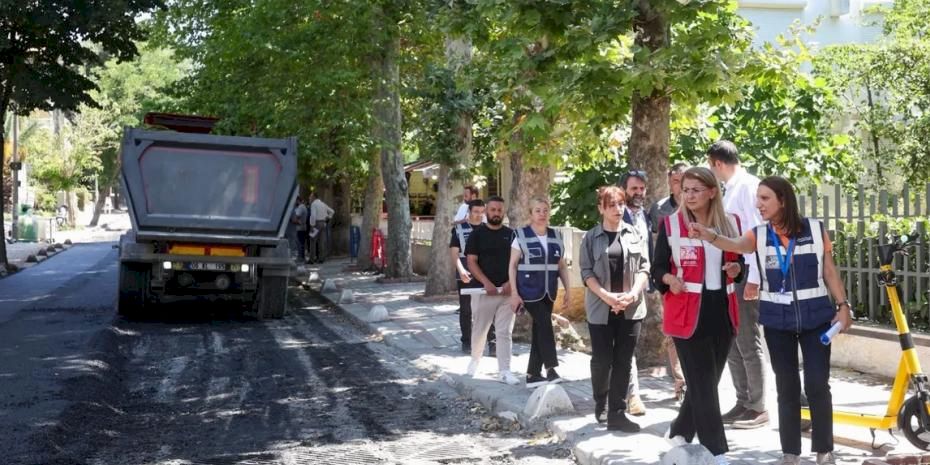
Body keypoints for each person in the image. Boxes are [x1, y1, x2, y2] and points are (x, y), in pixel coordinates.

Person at [688, 176, 851, 465]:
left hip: (816, 320)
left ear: (783, 201)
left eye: (765, 199)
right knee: (787, 388)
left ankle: (824, 451)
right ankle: (790, 454)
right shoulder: (759, 235)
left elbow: (829, 271)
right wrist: (709, 235)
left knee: (817, 385)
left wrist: (843, 305)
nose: (758, 204)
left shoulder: (815, 230)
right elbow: (735, 244)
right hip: (777, 323)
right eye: (758, 198)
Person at [652, 167, 745, 465]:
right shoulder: (671, 224)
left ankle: (679, 430)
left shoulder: (731, 223)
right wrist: (669, 279)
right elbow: (657, 268)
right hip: (686, 314)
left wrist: (737, 270)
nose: (688, 196)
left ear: (712, 192)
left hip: (722, 312)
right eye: (685, 190)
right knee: (704, 384)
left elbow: (740, 264)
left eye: (695, 190)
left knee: (706, 383)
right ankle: (716, 451)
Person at [707, 140, 769, 429]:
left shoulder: (748, 187)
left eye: (711, 166)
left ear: (718, 163)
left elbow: (757, 234)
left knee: (747, 340)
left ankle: (757, 405)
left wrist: (754, 278)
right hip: (732, 274)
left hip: (746, 274)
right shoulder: (731, 189)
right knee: (732, 340)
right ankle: (743, 400)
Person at [579, 185, 650, 432]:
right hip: (601, 308)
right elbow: (586, 273)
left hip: (631, 307)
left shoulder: (634, 233)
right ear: (601, 208)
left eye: (621, 204)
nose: (617, 209)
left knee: (623, 360)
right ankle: (601, 401)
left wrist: (632, 294)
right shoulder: (591, 238)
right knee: (602, 360)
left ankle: (617, 413)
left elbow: (644, 267)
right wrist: (607, 297)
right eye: (611, 205)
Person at [508, 197, 571, 388]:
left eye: (545, 210)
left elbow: (561, 266)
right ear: (530, 213)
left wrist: (568, 290)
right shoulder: (520, 235)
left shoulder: (556, 236)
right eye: (537, 210)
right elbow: (512, 266)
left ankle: (533, 375)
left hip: (549, 291)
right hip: (528, 290)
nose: (542, 214)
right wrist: (514, 293)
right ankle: (551, 368)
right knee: (545, 324)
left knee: (539, 330)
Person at [465, 196, 519, 385]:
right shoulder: (477, 235)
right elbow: (471, 261)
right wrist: (486, 283)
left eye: (499, 210)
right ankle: (475, 359)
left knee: (504, 331)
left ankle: (505, 370)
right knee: (480, 329)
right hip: (483, 292)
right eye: (493, 210)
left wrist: (511, 283)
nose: (496, 213)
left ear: (504, 212)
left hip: (507, 292)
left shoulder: (512, 235)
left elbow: (518, 262)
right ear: (486, 211)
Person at [647, 162, 688, 402]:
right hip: (669, 279)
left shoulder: (702, 207)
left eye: (684, 180)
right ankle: (680, 382)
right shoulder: (659, 209)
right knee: (673, 331)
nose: (680, 186)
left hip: (696, 278)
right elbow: (655, 245)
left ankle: (696, 379)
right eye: (675, 181)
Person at [619, 169, 650, 416]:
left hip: (643, 285)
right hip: (623, 288)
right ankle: (632, 395)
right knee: (626, 341)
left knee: (630, 342)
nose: (638, 193)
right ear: (624, 190)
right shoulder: (617, 216)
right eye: (633, 189)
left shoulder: (645, 216)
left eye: (641, 188)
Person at [450, 199, 494, 353]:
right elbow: (454, 253)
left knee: (489, 307)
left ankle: (493, 343)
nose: (479, 215)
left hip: (486, 273)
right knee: (466, 309)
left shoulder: (489, 228)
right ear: (469, 212)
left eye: (482, 212)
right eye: (476, 212)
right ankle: (467, 342)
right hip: (466, 273)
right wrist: (461, 270)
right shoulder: (459, 229)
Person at [307, 191, 335, 264]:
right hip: (323, 223)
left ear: (314, 197)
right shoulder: (322, 204)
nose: (309, 198)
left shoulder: (313, 204)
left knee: (312, 240)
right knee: (321, 241)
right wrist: (328, 218)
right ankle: (321, 258)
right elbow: (332, 211)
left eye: (310, 196)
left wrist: (312, 225)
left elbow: (313, 215)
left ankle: (311, 259)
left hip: (316, 223)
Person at [293, 196, 309, 262]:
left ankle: (300, 257)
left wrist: (294, 220)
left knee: (299, 243)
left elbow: (296, 216)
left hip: (300, 228)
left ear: (297, 200)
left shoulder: (300, 207)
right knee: (302, 242)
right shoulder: (303, 206)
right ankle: (302, 257)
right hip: (303, 227)